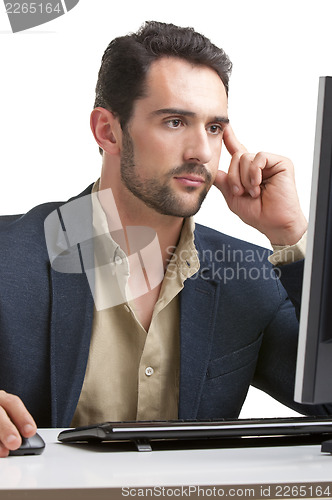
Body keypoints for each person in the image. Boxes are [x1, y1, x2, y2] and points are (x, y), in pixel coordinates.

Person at [0, 21, 330, 458]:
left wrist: (291, 236)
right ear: (108, 131)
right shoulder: (10, 256)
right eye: (175, 121)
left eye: (214, 128)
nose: (202, 151)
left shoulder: (247, 278)